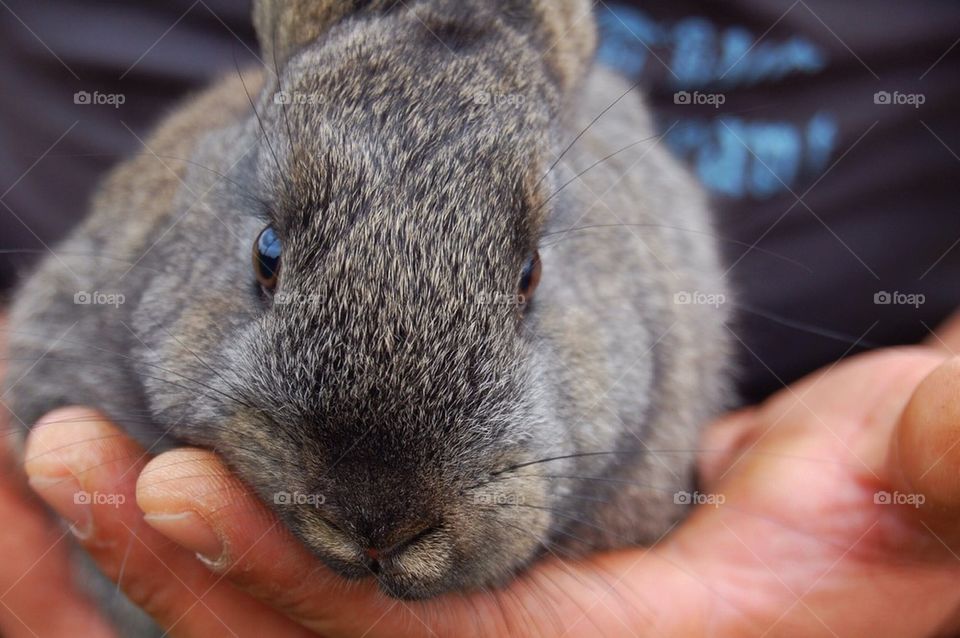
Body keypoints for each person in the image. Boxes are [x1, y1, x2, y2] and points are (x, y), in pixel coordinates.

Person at [1, 1, 959, 635]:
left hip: (777, 439)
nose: (369, 512)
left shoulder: (614, 219)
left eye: (525, 280)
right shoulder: (191, 198)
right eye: (272, 263)